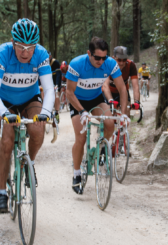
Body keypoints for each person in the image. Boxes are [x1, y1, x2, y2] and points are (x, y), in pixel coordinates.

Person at [0, 18, 55, 213]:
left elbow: (49, 89)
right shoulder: (2, 53)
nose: (25, 52)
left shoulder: (41, 54)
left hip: (29, 98)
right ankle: (2, 192)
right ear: (12, 42)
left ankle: (29, 163)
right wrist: (5, 113)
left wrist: (46, 113)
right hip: (5, 101)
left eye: (30, 47)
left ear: (36, 45)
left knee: (38, 130)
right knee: (7, 142)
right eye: (20, 47)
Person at [65, 37, 128, 195]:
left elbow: (122, 89)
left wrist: (125, 114)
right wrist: (82, 111)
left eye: (104, 57)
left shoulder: (110, 64)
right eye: (97, 57)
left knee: (109, 124)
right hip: (77, 101)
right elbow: (69, 92)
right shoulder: (77, 64)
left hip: (96, 99)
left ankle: (101, 149)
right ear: (89, 53)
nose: (100, 61)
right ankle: (77, 174)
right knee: (81, 136)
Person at [102, 46, 140, 116]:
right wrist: (111, 100)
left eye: (124, 60)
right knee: (109, 116)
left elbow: (135, 86)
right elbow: (105, 85)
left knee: (126, 113)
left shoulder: (131, 65)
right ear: (114, 58)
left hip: (123, 91)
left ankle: (123, 126)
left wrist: (136, 101)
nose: (122, 63)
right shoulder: (108, 64)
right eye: (119, 60)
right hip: (109, 91)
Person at [49, 52, 61, 122]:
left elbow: (58, 75)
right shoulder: (43, 63)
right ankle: (48, 110)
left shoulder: (55, 62)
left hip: (55, 81)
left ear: (51, 57)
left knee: (56, 96)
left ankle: (56, 112)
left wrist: (57, 85)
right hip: (48, 82)